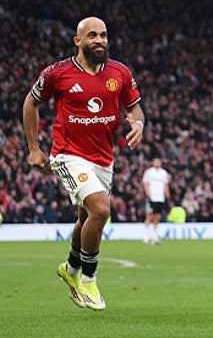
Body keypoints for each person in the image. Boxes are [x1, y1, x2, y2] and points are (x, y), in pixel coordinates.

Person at [23, 16, 146, 311]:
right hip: (67, 154)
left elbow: (135, 109)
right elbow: (31, 103)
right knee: (101, 209)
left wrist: (139, 124)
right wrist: (34, 149)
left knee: (85, 218)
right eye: (92, 36)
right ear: (78, 41)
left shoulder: (120, 72)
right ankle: (88, 279)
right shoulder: (59, 73)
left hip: (103, 159)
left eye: (103, 35)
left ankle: (71, 268)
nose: (99, 41)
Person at [142, 157, 171, 245]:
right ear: (153, 162)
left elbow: (165, 185)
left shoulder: (164, 173)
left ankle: (155, 238)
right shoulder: (149, 172)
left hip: (160, 197)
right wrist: (148, 195)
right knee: (150, 215)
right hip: (152, 197)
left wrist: (167, 196)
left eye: (159, 161)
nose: (157, 163)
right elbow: (146, 184)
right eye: (156, 161)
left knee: (157, 216)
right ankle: (146, 237)